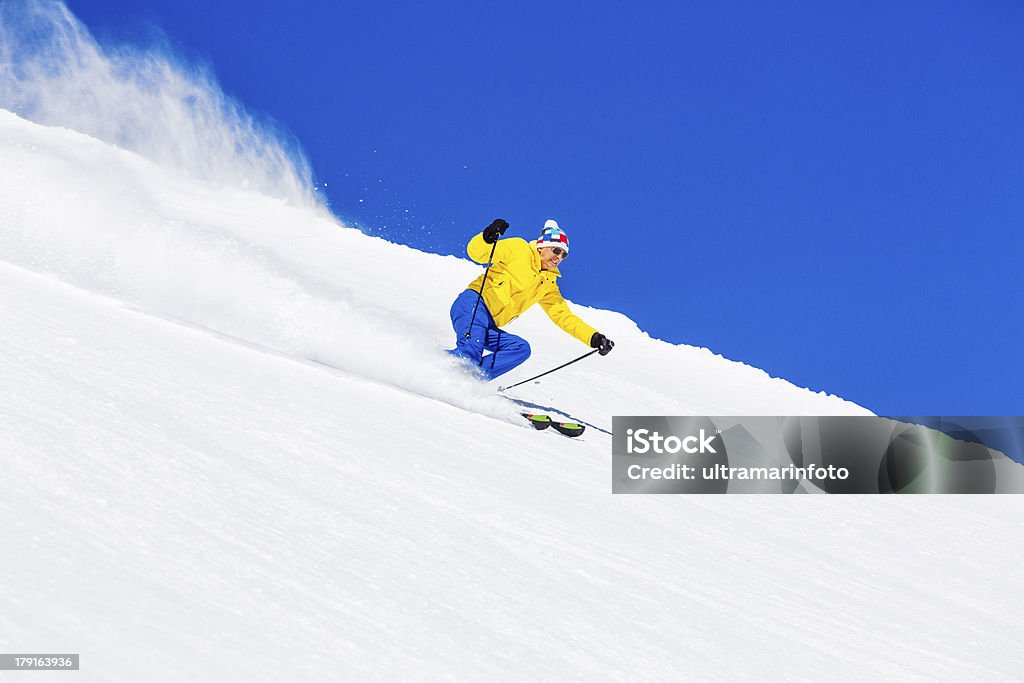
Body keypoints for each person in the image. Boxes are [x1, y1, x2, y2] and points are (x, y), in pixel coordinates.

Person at [448, 218, 614, 380]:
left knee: (520, 348)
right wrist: (487, 238)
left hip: (490, 323)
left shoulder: (548, 284)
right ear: (542, 247)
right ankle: (438, 367)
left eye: (564, 255)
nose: (559, 257)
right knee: (470, 352)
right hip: (474, 305)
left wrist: (593, 337)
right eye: (556, 250)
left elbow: (564, 317)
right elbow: (478, 253)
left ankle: (471, 379)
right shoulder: (519, 249)